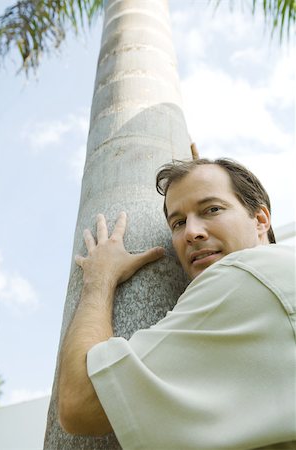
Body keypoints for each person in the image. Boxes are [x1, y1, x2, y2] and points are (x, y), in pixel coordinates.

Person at [58, 158, 295, 450]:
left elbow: (81, 401)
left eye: (212, 209)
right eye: (178, 222)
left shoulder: (243, 274)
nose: (191, 233)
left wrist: (99, 280)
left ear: (260, 220)